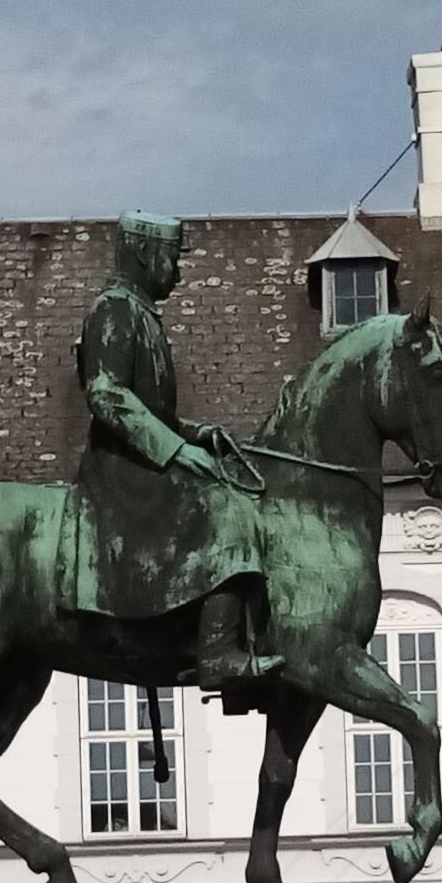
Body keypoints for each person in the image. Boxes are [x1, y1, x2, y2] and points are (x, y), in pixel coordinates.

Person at [72, 209, 272, 686]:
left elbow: (150, 413)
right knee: (228, 511)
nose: (178, 273)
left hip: (145, 459)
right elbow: (107, 393)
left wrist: (194, 434)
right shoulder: (113, 309)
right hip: (123, 472)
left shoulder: (140, 314)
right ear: (144, 252)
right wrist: (178, 452)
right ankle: (218, 652)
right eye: (172, 259)